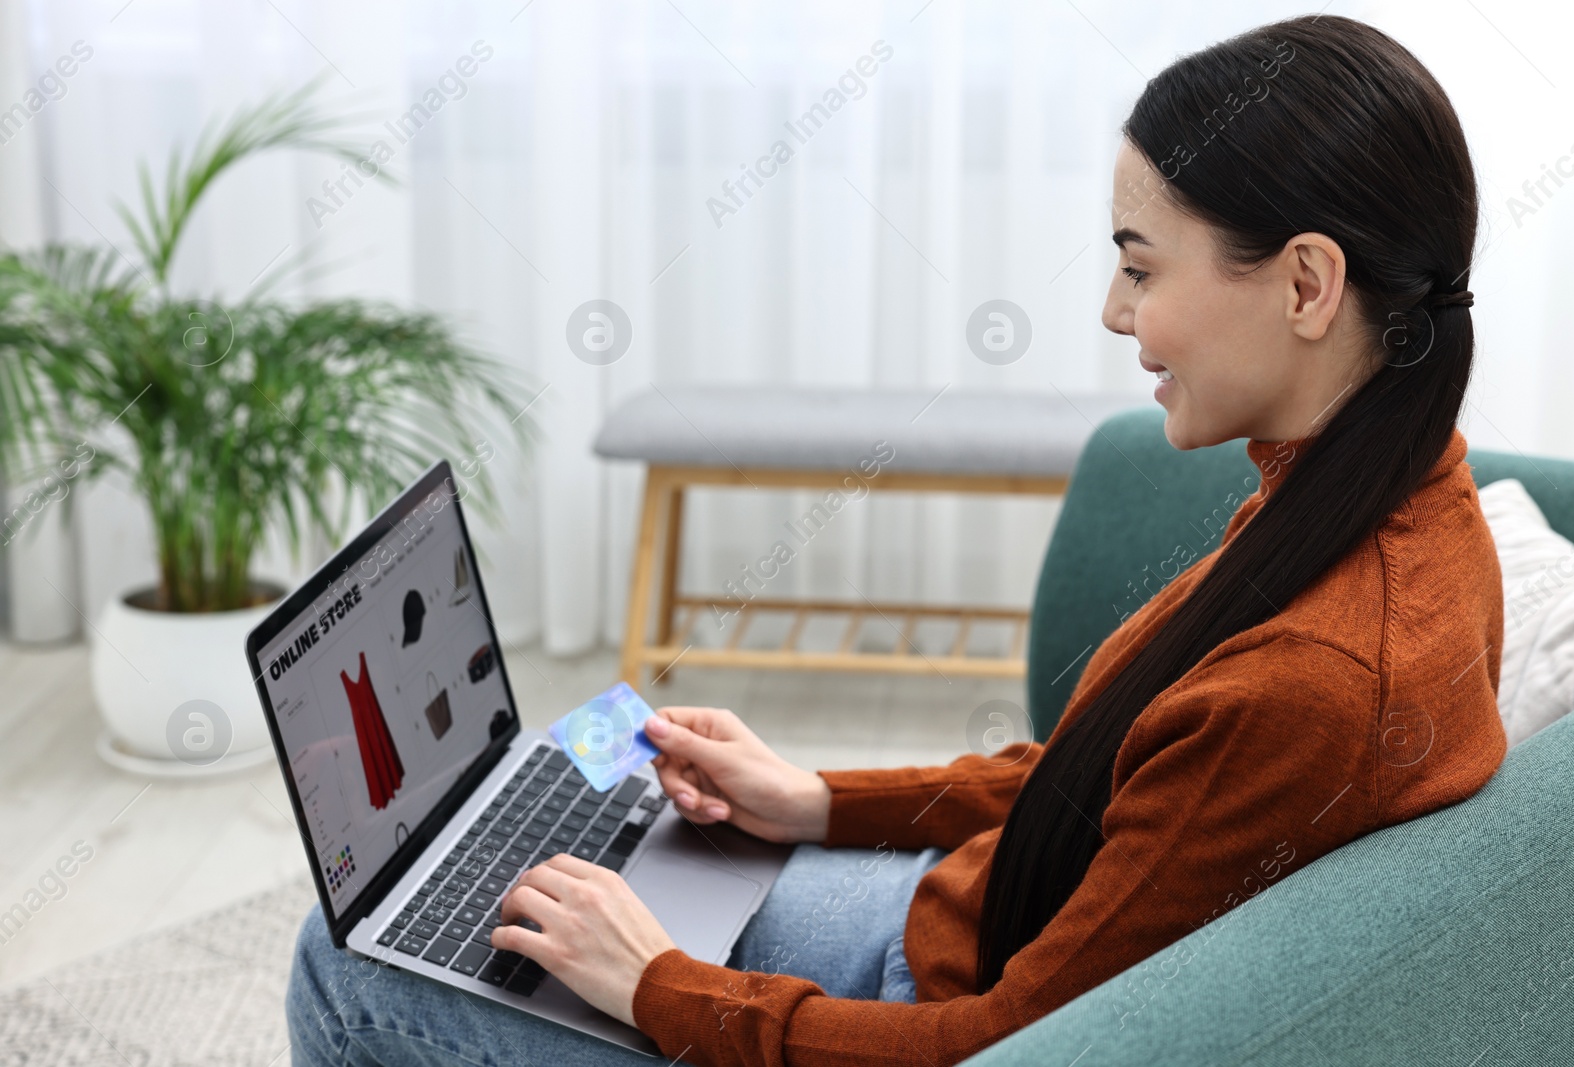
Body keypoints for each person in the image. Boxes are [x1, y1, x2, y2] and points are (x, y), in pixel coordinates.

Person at [287, 14, 1507, 1066]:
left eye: (1142, 266)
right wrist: (812, 798)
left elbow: (1002, 1046)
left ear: (1304, 285)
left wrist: (657, 985)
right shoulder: (1395, 504)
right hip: (959, 924)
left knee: (351, 963)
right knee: (599, 847)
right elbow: (1116, 774)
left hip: (924, 1014)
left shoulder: (1318, 672)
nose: (1114, 311)